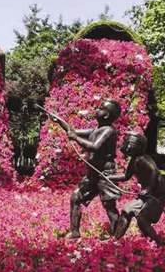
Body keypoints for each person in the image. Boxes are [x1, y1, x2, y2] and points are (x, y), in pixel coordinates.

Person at [50, 98, 122, 239]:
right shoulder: (96, 129)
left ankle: (117, 237)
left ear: (106, 115)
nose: (97, 109)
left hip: (105, 175)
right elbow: (74, 131)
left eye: (100, 108)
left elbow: (94, 146)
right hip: (92, 174)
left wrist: (75, 139)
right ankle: (75, 232)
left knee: (109, 206)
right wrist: (59, 121)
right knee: (75, 198)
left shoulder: (108, 131)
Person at [110, 130, 165, 246]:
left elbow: (154, 172)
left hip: (158, 194)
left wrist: (148, 189)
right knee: (127, 211)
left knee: (143, 219)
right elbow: (126, 176)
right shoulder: (134, 161)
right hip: (147, 195)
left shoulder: (144, 159)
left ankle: (157, 245)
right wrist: (109, 177)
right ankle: (115, 241)